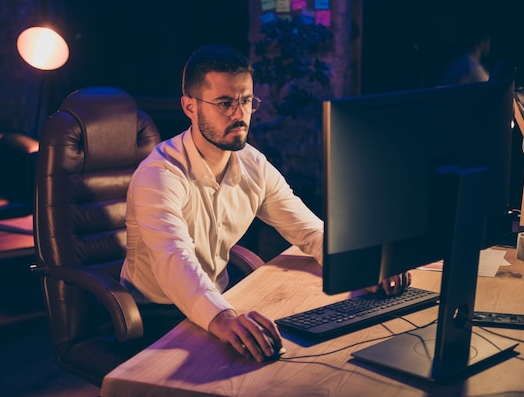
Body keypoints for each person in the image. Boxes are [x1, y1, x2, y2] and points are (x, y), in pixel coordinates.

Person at [120, 44, 411, 363]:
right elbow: (174, 260)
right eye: (224, 103)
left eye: (246, 101)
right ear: (190, 106)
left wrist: (365, 266)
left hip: (222, 302)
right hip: (157, 319)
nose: (239, 114)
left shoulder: (252, 164)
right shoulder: (159, 175)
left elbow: (311, 232)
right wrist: (225, 318)